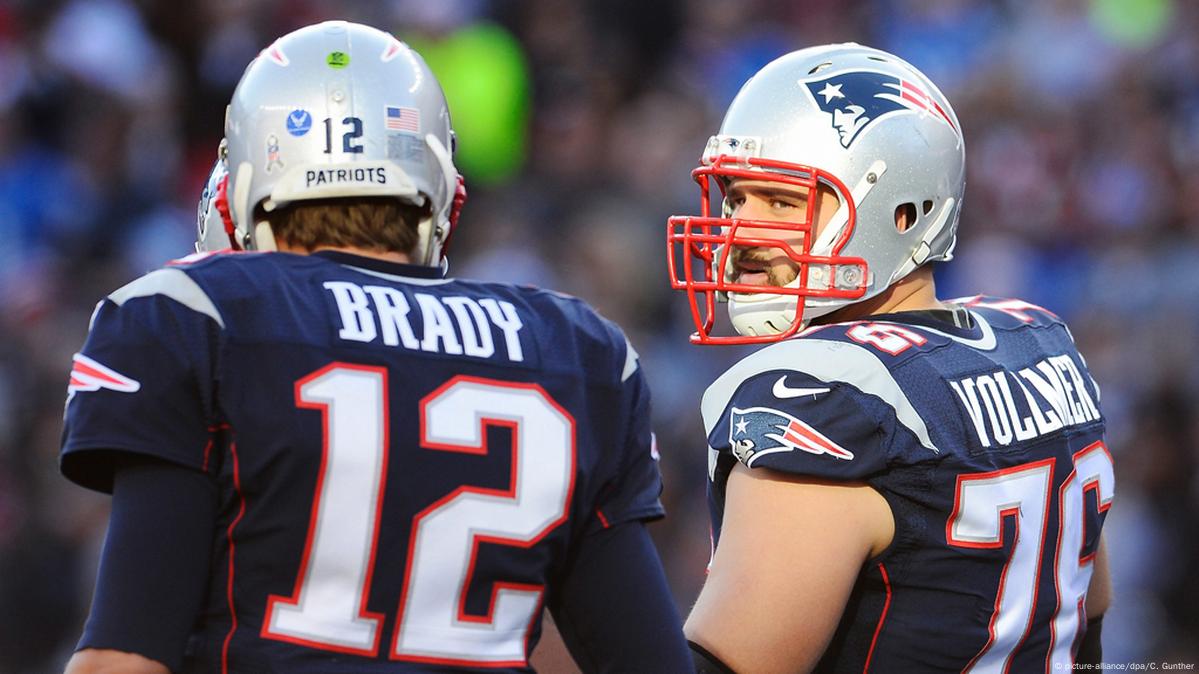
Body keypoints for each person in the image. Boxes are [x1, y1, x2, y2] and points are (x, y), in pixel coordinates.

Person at [60, 20, 691, 674]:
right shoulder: (576, 351)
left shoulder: (192, 315)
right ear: (437, 180)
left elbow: (125, 658)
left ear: (248, 180)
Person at [667, 43, 1114, 673]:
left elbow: (734, 664)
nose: (740, 233)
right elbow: (1087, 621)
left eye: (782, 202)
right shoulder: (1040, 342)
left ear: (902, 211)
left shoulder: (825, 396)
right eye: (737, 198)